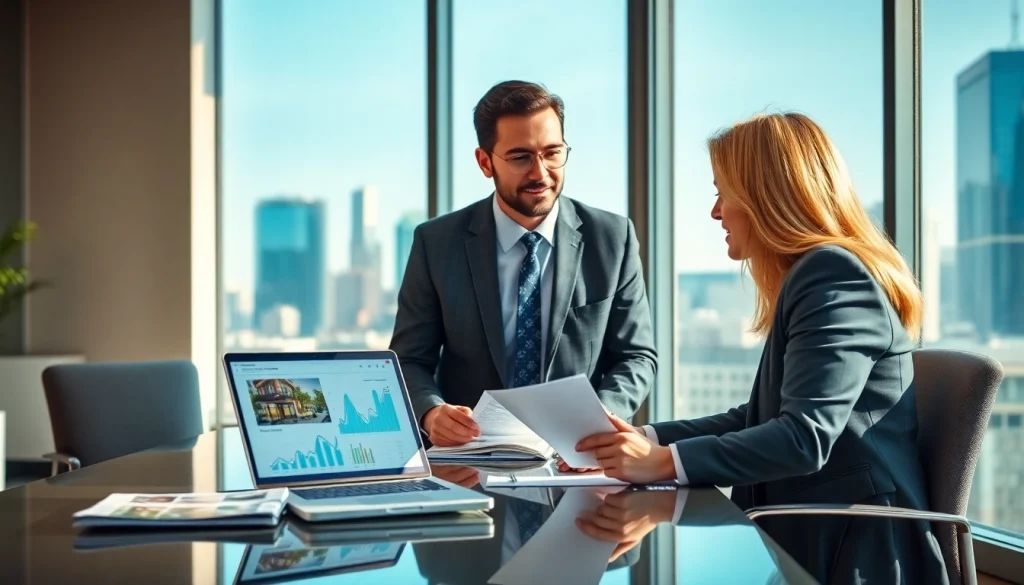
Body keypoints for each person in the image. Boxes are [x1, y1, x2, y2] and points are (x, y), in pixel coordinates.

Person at [575, 112, 947, 582]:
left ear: (765, 197)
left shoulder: (833, 275)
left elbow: (803, 437)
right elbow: (761, 417)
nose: (715, 212)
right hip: (807, 537)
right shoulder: (814, 276)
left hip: (853, 553)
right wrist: (645, 440)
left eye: (721, 193)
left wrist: (664, 462)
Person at [390, 80, 657, 448]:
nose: (540, 173)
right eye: (520, 157)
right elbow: (408, 360)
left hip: (577, 458)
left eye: (552, 153)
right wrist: (431, 413)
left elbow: (636, 357)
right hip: (472, 461)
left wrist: (601, 419)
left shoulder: (613, 238)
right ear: (485, 162)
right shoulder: (436, 243)